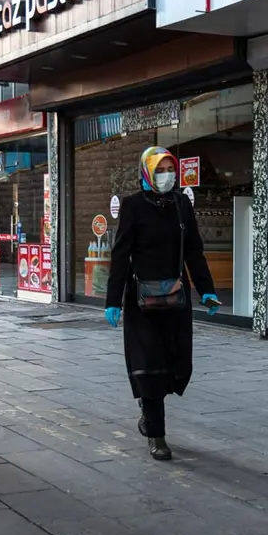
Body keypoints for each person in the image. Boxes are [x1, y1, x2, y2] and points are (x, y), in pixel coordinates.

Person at [104, 146, 221, 460]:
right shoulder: (132, 206)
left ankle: (147, 407)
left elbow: (193, 250)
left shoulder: (182, 204)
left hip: (176, 296)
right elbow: (120, 254)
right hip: (141, 299)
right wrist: (112, 299)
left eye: (170, 169)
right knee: (150, 366)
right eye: (160, 170)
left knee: (178, 364)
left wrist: (206, 289)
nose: (167, 176)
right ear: (147, 172)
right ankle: (157, 435)